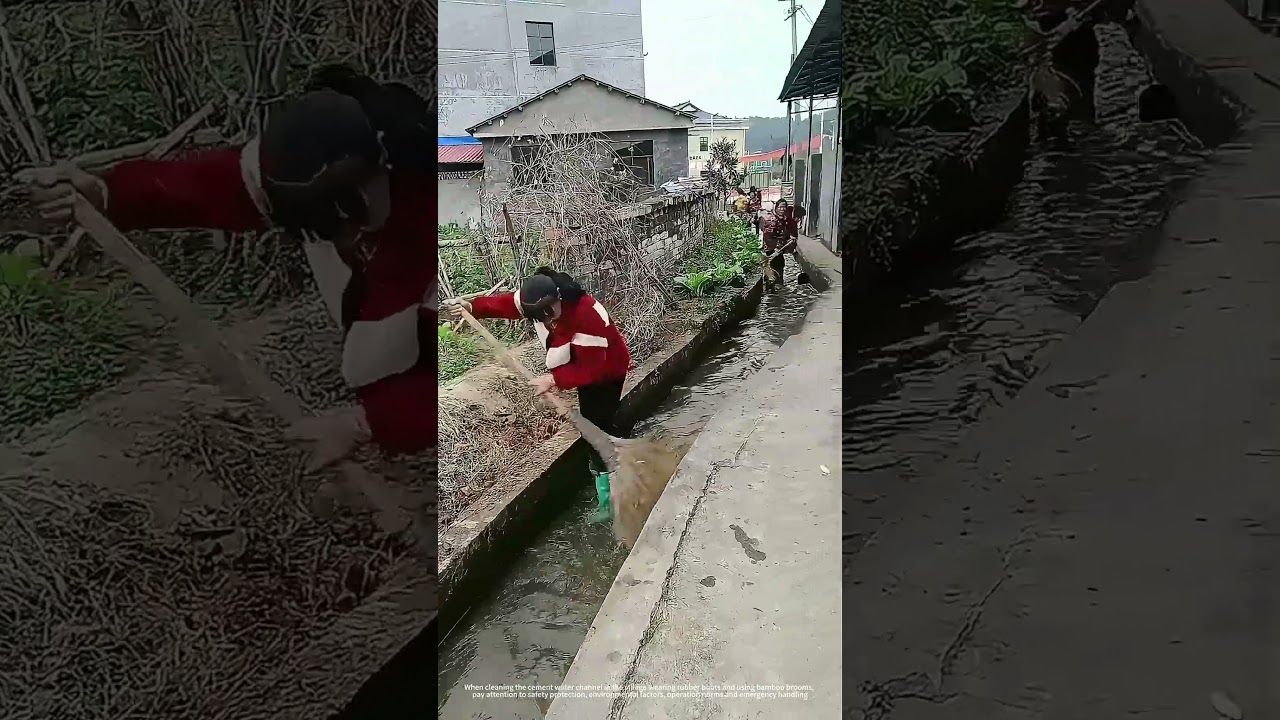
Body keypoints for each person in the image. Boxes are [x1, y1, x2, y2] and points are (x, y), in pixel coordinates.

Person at [25, 65, 436, 468]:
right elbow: (202, 187)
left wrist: (370, 423)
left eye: (348, 211)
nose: (342, 235)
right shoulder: (295, 176)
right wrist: (104, 192)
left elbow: (478, 359)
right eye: (319, 223)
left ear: (381, 164)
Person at [444, 268, 631, 523]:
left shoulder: (588, 315)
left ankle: (610, 498)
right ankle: (609, 470)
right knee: (595, 422)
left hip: (608, 369)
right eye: (538, 318)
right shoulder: (537, 299)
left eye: (549, 315)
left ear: (558, 300)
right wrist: (473, 307)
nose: (545, 322)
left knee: (597, 424)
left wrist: (553, 380)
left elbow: (593, 369)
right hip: (580, 360)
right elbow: (507, 304)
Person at [760, 198, 799, 291]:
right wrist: (775, 248)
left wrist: (791, 240)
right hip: (771, 250)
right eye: (780, 207)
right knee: (773, 267)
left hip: (780, 249)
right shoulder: (771, 220)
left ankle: (777, 286)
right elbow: (768, 237)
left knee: (780, 265)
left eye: (784, 207)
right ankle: (772, 287)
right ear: (776, 208)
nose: (782, 209)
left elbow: (790, 233)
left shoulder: (785, 220)